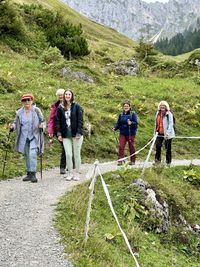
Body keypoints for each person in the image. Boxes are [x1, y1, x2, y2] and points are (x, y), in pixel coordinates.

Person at [9, 94, 45, 183]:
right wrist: (12, 127)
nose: (27, 102)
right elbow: (15, 123)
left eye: (29, 100)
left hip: (34, 136)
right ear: (22, 102)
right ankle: (29, 173)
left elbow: (43, 121)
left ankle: (33, 174)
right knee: (27, 155)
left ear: (32, 101)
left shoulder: (36, 110)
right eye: (24, 100)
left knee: (32, 154)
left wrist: (42, 126)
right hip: (23, 137)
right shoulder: (19, 112)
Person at [56, 89, 83, 181]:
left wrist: (79, 132)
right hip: (65, 134)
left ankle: (77, 173)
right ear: (64, 96)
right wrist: (59, 133)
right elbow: (58, 122)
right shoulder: (60, 107)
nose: (67, 96)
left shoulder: (77, 106)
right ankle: (70, 173)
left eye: (69, 94)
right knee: (68, 154)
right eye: (66, 94)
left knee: (76, 154)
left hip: (76, 134)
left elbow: (80, 121)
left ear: (72, 96)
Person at [113, 100, 138, 166]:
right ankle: (120, 160)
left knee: (131, 147)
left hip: (130, 133)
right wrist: (115, 128)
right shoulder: (121, 114)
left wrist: (131, 123)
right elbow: (118, 123)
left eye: (127, 106)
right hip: (122, 133)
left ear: (129, 107)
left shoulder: (133, 114)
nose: (126, 107)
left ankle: (132, 161)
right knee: (121, 146)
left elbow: (136, 123)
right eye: (124, 106)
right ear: (123, 107)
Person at [48, 88, 66, 174]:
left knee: (67, 147)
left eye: (62, 94)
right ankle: (62, 167)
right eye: (58, 95)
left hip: (67, 130)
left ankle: (71, 163)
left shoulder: (70, 104)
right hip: (58, 130)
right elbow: (51, 119)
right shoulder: (55, 106)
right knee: (65, 147)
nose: (60, 96)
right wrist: (50, 131)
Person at [154, 100, 175, 166]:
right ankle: (157, 161)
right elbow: (155, 123)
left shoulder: (169, 114)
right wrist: (154, 132)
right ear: (159, 106)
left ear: (166, 107)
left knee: (167, 148)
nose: (162, 107)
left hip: (167, 134)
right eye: (161, 105)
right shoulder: (157, 113)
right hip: (159, 133)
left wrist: (167, 134)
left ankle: (168, 162)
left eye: (164, 106)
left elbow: (171, 124)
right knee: (157, 146)